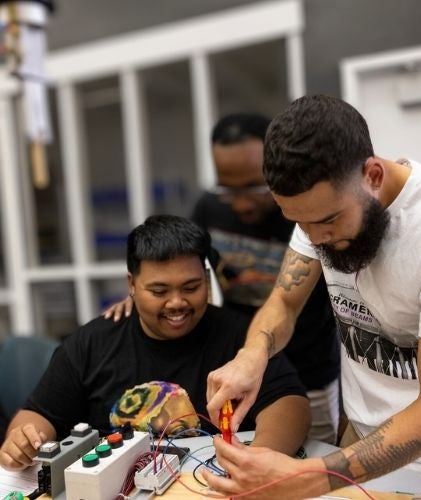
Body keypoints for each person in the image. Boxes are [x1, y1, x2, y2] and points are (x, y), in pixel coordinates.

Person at [202, 95, 421, 498]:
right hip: (355, 440)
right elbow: (285, 302)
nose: (316, 239)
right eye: (299, 223)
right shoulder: (316, 211)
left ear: (373, 175)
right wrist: (251, 355)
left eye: (327, 221)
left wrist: (303, 477)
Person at [0, 215, 310, 471]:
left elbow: (290, 404)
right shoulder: (91, 344)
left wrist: (258, 459)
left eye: (191, 287)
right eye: (159, 292)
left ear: (205, 278)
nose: (177, 303)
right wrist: (24, 440)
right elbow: (40, 414)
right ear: (131, 285)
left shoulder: (240, 336)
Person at [105, 113, 341, 444]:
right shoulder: (210, 208)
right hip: (239, 369)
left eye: (255, 187)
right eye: (228, 189)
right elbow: (176, 262)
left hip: (309, 372)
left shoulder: (303, 214)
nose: (242, 203)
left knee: (311, 463)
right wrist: (143, 295)